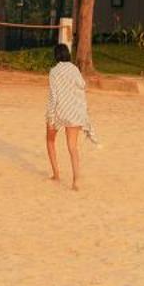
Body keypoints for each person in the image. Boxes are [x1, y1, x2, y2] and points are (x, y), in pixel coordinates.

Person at [45, 42, 97, 189]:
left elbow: (53, 95)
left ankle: (56, 174)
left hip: (59, 111)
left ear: (55, 56)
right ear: (67, 54)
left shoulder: (54, 71)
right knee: (72, 147)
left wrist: (50, 117)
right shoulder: (74, 69)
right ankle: (76, 181)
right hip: (74, 111)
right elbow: (82, 86)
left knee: (50, 141)